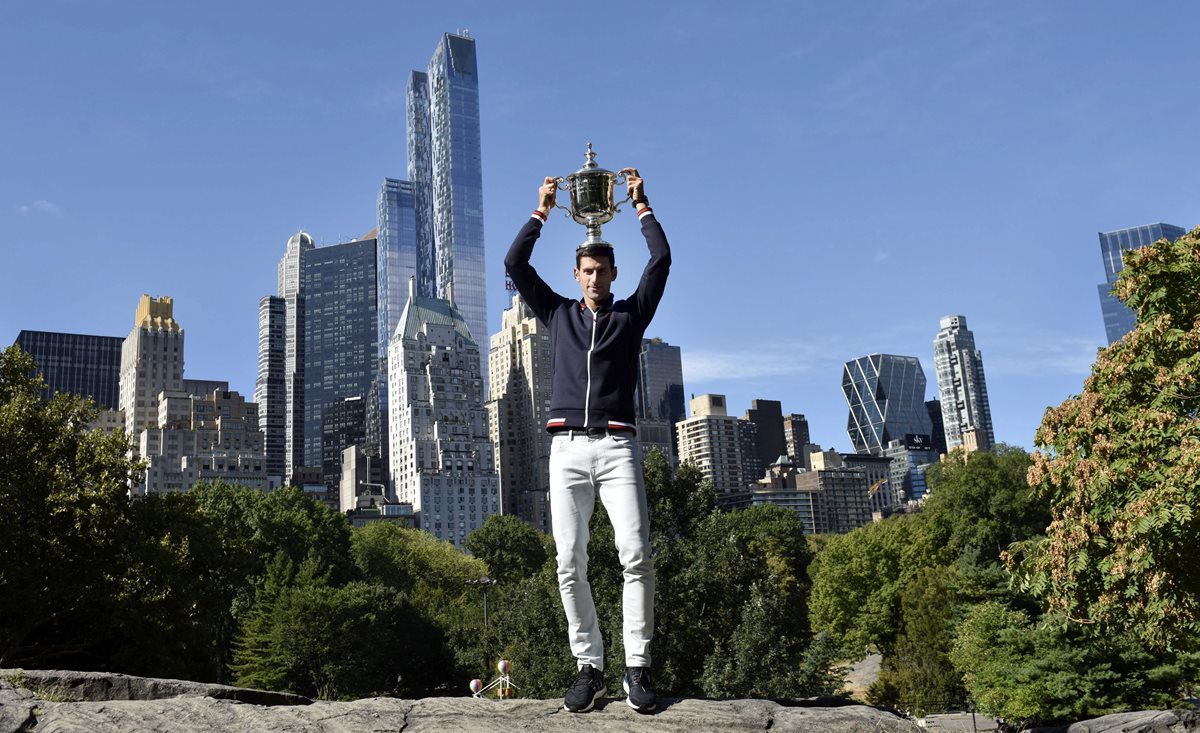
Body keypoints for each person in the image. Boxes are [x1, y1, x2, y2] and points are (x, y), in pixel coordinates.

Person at [503, 169, 670, 713]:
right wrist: (542, 212)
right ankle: (589, 667)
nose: (594, 278)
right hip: (567, 451)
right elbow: (514, 265)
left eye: (602, 271)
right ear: (575, 276)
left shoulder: (631, 315)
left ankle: (637, 668)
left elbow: (661, 261)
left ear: (614, 274)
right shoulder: (556, 314)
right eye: (586, 271)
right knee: (568, 561)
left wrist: (642, 205)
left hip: (619, 448)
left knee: (635, 554)